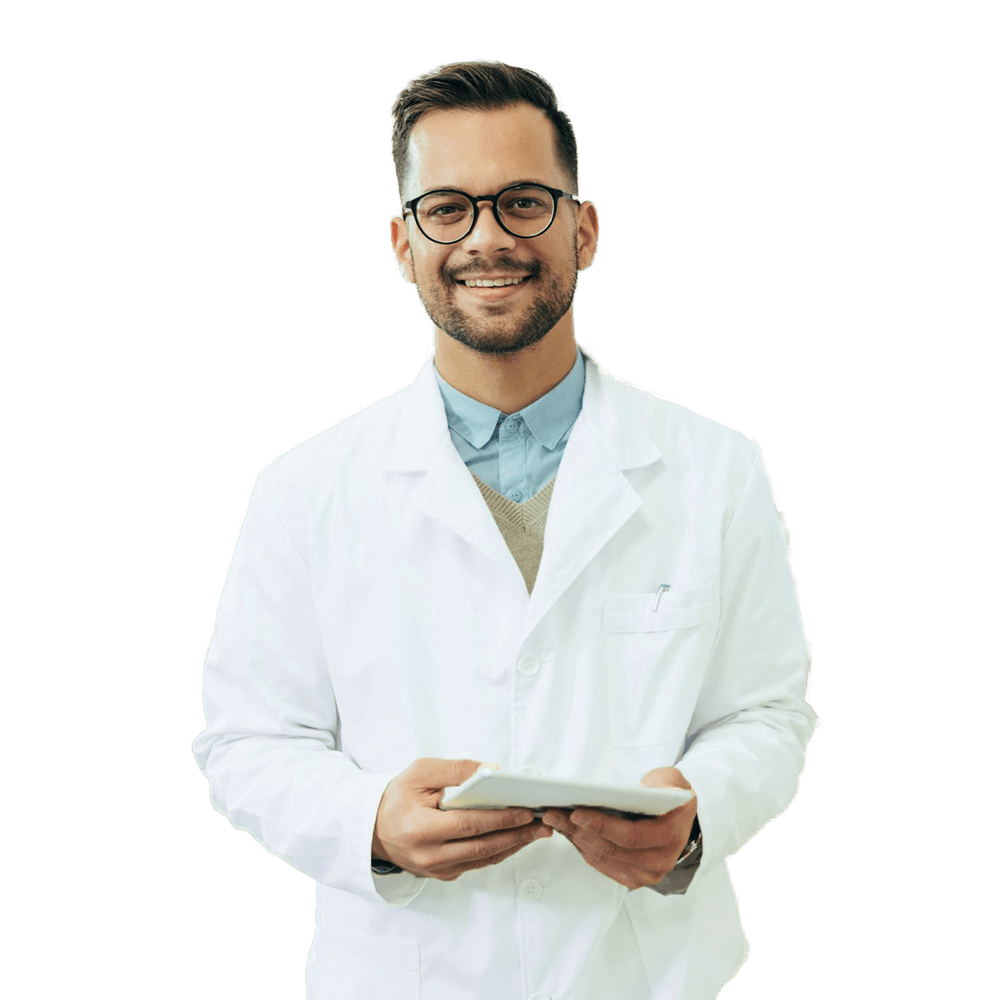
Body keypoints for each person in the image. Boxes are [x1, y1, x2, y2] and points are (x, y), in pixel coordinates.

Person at [191, 58, 818, 1000]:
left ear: (586, 228)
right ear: (403, 243)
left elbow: (767, 715)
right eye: (448, 208)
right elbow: (245, 741)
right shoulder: (304, 488)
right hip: (405, 975)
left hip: (649, 974)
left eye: (525, 202)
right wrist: (371, 822)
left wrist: (696, 818)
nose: (488, 239)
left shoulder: (716, 468)